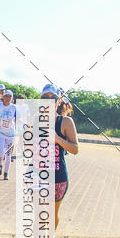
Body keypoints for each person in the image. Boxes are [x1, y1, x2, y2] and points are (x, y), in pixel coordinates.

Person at [41, 84, 79, 228]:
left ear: (58, 102)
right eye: (45, 97)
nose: (49, 100)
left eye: (53, 98)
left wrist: (57, 139)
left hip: (57, 177)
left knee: (51, 215)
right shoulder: (34, 120)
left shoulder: (65, 122)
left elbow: (75, 149)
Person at [0, 88, 16, 179]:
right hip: (0, 132)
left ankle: (6, 173)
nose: (7, 98)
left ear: (12, 98)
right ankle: (0, 163)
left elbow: (19, 119)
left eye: (9, 97)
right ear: (3, 97)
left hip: (10, 134)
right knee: (1, 152)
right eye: (6, 96)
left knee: (8, 155)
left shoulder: (14, 108)